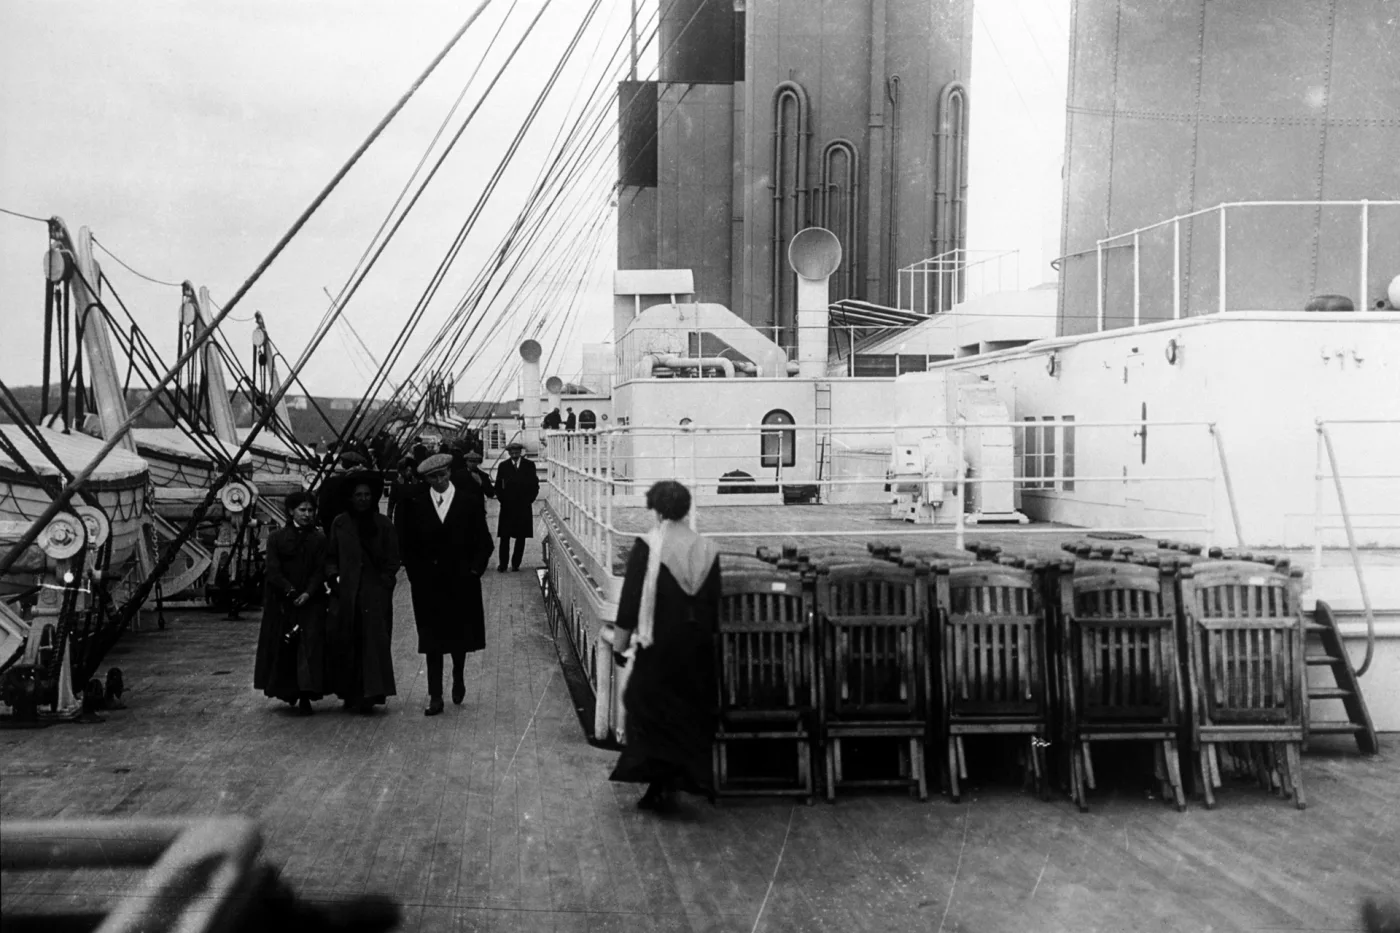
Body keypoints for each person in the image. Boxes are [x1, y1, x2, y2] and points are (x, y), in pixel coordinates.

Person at [609, 480, 721, 812]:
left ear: (657, 510)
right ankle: (677, 779)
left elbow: (630, 600)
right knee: (683, 713)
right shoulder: (706, 548)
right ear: (686, 509)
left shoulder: (648, 545)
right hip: (696, 650)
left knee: (642, 705)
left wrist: (620, 643)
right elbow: (713, 604)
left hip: (658, 646)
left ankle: (659, 783)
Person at [395, 453, 494, 716]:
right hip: (428, 584)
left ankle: (458, 676)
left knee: (460, 637)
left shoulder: (468, 502)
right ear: (425, 478)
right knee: (432, 639)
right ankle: (435, 694)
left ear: (450, 472)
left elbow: (484, 543)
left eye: (443, 474)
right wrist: (416, 576)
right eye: (432, 477)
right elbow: (405, 544)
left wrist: (474, 572)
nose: (439, 480)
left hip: (461, 581)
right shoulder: (413, 504)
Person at [325, 472, 399, 713]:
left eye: (367, 495)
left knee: (373, 645)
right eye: (358, 495)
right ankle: (350, 693)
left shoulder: (383, 525)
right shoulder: (340, 523)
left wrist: (385, 583)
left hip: (374, 594)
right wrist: (334, 578)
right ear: (351, 498)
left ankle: (372, 694)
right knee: (348, 642)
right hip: (346, 592)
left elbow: (392, 559)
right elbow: (331, 555)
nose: (363, 499)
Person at [253, 491, 328, 715]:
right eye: (302, 510)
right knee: (285, 647)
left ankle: (306, 694)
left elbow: (320, 569)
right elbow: (273, 571)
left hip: (310, 601)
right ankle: (289, 690)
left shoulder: (319, 538)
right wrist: (291, 591)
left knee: (308, 648)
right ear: (291, 511)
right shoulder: (277, 538)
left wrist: (308, 593)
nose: (307, 515)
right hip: (283, 602)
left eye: (310, 510)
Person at [493, 441, 539, 572]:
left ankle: (515, 564)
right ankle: (503, 565)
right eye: (512, 452)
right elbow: (498, 485)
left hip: (523, 506)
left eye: (516, 451)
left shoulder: (529, 465)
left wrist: (530, 499)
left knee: (521, 536)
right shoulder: (503, 466)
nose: (514, 454)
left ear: (520, 452)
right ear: (508, 453)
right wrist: (503, 500)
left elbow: (534, 484)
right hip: (507, 506)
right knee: (504, 537)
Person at [316, 451, 366, 535]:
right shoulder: (367, 480)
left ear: (345, 464)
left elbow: (324, 505)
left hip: (337, 523)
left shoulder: (334, 482)